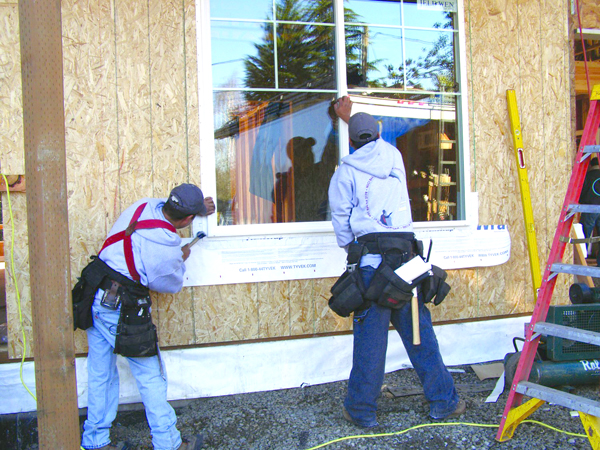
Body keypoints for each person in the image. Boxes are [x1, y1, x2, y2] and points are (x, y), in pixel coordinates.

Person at [328, 96, 465, 428]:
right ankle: (443, 403)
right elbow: (371, 142)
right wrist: (351, 118)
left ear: (351, 142)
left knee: (370, 344)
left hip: (371, 269)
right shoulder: (394, 157)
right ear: (378, 134)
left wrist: (352, 248)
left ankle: (361, 411)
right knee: (419, 335)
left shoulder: (344, 173)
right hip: (406, 266)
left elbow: (341, 220)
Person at [80, 183, 215, 450]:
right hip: (122, 306)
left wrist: (196, 210)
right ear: (188, 219)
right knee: (151, 376)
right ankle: (168, 443)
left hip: (94, 292)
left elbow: (166, 211)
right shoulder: (166, 246)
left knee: (100, 372)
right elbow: (168, 284)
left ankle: (95, 441)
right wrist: (180, 258)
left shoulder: (143, 206)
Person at [579, 157, 600, 267]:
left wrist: (582, 203)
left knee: (585, 234)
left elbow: (581, 193)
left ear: (591, 165)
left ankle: (583, 260)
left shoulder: (587, 176)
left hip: (589, 208)